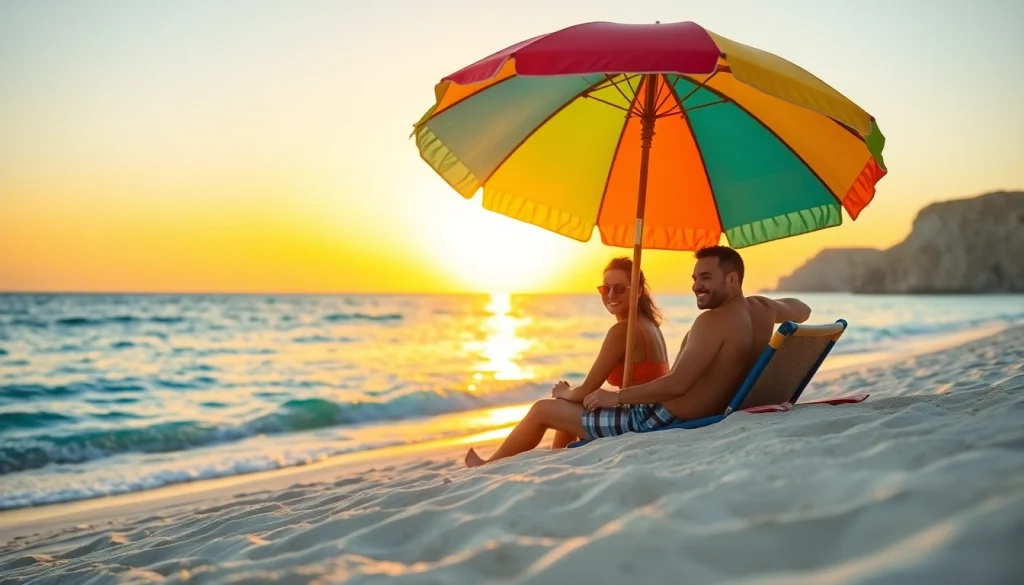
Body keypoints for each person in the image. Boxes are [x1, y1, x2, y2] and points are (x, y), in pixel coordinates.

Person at [464, 245, 812, 468]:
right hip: (697, 412)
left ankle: (488, 468)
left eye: (705, 278)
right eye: (694, 278)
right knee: (573, 411)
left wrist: (616, 397)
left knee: (543, 409)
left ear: (732, 279)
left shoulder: (711, 322)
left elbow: (678, 385)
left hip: (658, 420)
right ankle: (560, 461)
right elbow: (804, 309)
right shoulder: (761, 309)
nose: (695, 286)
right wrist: (768, 303)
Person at [547, 256, 671, 449]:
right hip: (654, 411)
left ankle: (489, 463)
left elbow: (586, 390)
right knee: (568, 407)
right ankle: (559, 456)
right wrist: (571, 396)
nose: (611, 294)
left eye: (620, 288)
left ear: (638, 291)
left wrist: (564, 392)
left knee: (544, 409)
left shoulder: (624, 331)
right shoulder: (649, 324)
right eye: (606, 288)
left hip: (640, 418)